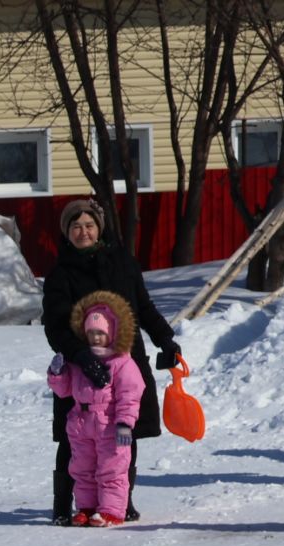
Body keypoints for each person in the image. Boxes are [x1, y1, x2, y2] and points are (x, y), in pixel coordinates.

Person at [40, 198, 179, 525]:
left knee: (123, 432)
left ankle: (122, 502)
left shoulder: (123, 262)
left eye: (89, 225)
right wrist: (79, 354)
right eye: (76, 227)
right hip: (80, 367)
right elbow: (55, 325)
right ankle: (63, 505)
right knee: (74, 435)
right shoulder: (60, 274)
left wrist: (166, 339)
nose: (83, 232)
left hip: (127, 360)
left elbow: (142, 307)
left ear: (98, 228)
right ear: (67, 233)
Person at [46, 292, 143, 525]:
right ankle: (87, 508)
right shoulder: (82, 361)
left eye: (100, 333)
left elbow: (130, 395)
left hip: (111, 424)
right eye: (91, 333)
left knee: (112, 467)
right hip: (81, 423)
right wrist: (57, 373)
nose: (96, 338)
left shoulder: (122, 362)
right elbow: (65, 390)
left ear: (110, 333)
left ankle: (111, 510)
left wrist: (125, 424)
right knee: (82, 468)